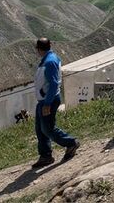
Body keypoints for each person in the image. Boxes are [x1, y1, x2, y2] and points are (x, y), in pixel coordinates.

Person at [32, 37, 78, 168]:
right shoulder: (49, 59)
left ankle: (71, 142)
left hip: (48, 100)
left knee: (47, 128)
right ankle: (45, 155)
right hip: (44, 100)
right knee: (40, 129)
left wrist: (47, 103)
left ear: (38, 49)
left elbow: (53, 84)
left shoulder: (49, 62)